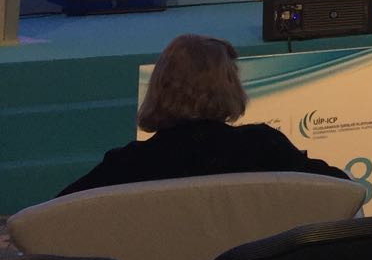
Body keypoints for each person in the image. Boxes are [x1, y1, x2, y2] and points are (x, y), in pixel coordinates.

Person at [58, 34, 350, 196]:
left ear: (159, 86)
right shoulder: (263, 146)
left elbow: (55, 214)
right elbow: (343, 190)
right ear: (229, 86)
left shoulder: (127, 164)